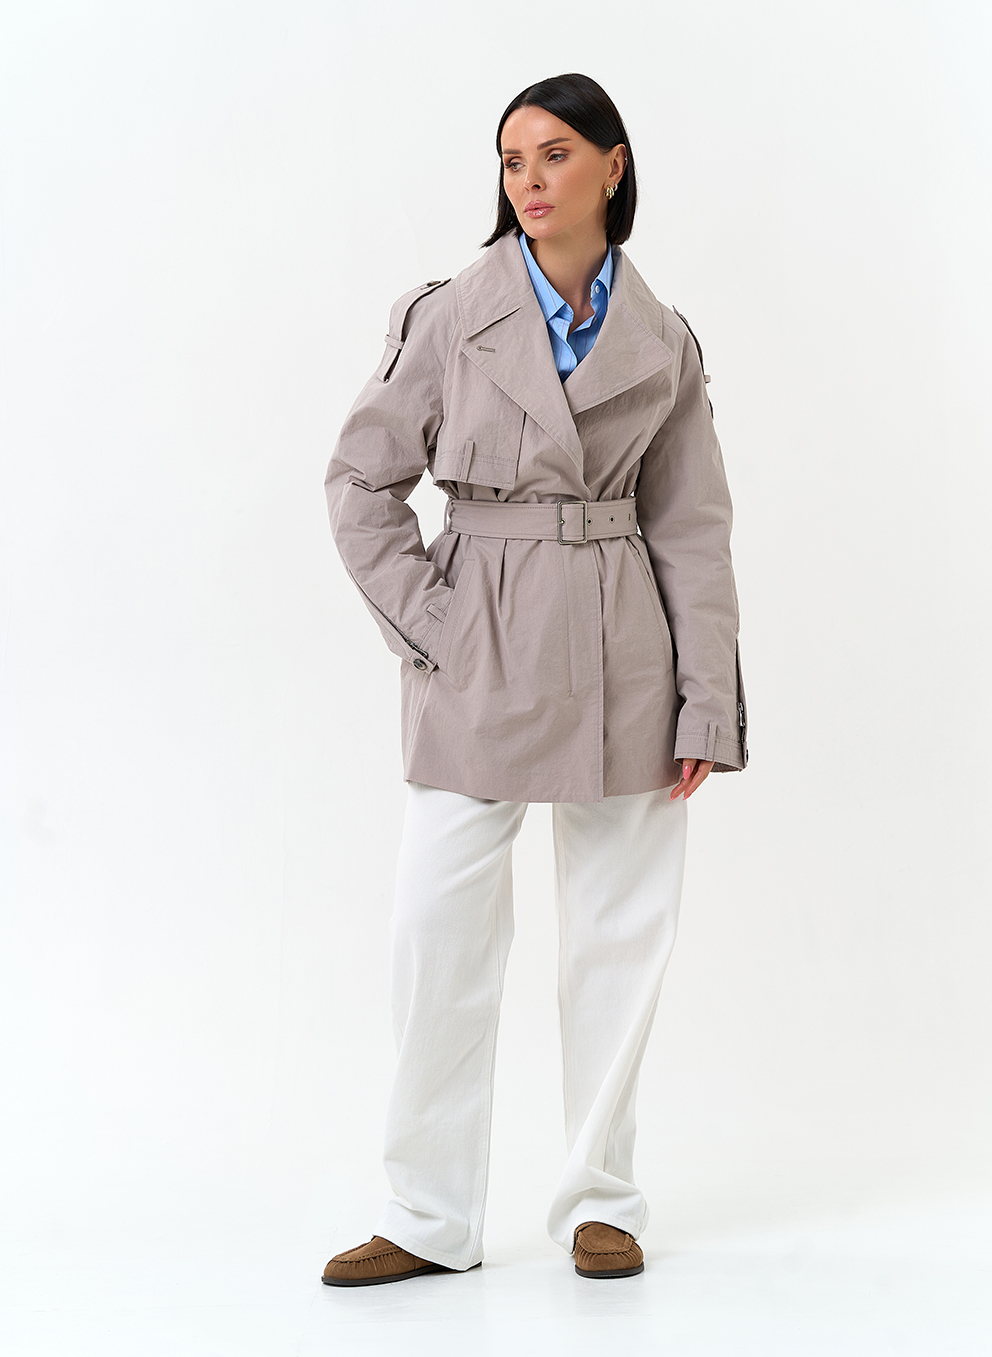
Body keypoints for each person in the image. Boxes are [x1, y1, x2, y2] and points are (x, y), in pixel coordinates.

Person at [320, 71, 748, 1287]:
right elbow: (358, 482)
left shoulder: (662, 340)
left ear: (613, 165)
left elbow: (691, 527)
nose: (529, 180)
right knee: (436, 929)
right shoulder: (452, 313)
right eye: (512, 161)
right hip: (483, 634)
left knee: (617, 933)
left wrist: (704, 699)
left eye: (553, 154)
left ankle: (599, 1199)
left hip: (624, 643)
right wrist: (435, 625)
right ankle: (425, 1212)